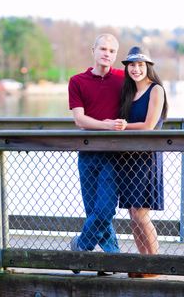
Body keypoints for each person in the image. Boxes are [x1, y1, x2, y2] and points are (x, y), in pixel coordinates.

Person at [68, 33, 127, 258]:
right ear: (93, 51)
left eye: (112, 51)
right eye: (103, 49)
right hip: (88, 151)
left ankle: (81, 247)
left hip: (114, 154)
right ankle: (111, 259)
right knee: (93, 209)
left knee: (105, 210)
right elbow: (79, 120)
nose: (107, 54)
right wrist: (106, 125)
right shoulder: (77, 81)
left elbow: (146, 95)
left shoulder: (123, 80)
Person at [118, 46, 168, 278]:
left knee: (141, 214)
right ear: (127, 68)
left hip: (147, 157)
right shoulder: (129, 93)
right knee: (132, 213)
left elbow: (149, 125)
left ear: (147, 66)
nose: (136, 69)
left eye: (140, 65)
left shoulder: (156, 90)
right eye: (131, 65)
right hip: (128, 158)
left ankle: (154, 263)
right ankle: (142, 263)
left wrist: (123, 126)